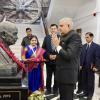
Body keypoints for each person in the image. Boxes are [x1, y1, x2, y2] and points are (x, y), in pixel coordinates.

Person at [52, 18, 82, 100]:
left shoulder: (75, 36)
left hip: (68, 76)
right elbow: (62, 52)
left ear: (68, 26)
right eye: (59, 26)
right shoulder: (63, 36)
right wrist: (56, 52)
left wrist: (57, 46)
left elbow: (69, 55)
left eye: (61, 25)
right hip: (62, 74)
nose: (59, 28)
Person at [80, 32, 99, 100]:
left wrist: (96, 66)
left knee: (90, 81)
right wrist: (80, 65)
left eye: (87, 37)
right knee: (84, 80)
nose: (86, 38)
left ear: (92, 37)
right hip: (83, 67)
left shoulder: (96, 46)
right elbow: (81, 56)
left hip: (91, 67)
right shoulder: (84, 46)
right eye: (85, 37)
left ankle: (90, 94)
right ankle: (85, 92)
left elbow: (97, 57)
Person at [42, 24, 59, 95]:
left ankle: (55, 90)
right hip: (48, 61)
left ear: (57, 30)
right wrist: (48, 55)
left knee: (57, 77)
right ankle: (48, 90)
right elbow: (43, 48)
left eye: (54, 28)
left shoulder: (60, 38)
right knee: (48, 77)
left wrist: (56, 56)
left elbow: (63, 49)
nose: (53, 30)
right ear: (50, 30)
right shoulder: (47, 38)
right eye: (51, 29)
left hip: (58, 61)